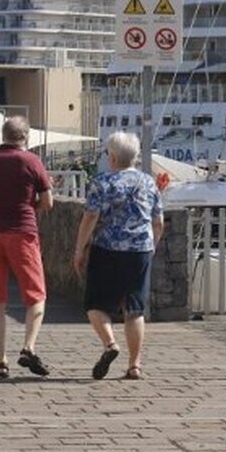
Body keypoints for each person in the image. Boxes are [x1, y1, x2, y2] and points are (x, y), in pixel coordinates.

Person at [73, 132, 163, 380]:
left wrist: (80, 249)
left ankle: (110, 344)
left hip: (107, 249)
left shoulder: (102, 182)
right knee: (134, 308)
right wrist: (151, 246)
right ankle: (134, 365)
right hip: (140, 250)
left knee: (95, 304)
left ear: (111, 157)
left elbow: (90, 217)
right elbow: (158, 222)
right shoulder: (149, 183)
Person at [0, 116, 54, 379]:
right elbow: (48, 201)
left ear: (3, 135)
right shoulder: (31, 161)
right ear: (25, 136)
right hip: (23, 232)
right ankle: (28, 347)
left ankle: (0, 359)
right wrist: (30, 208)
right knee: (36, 296)